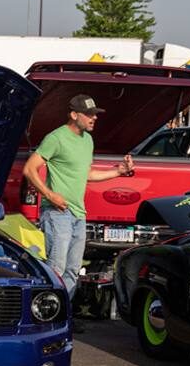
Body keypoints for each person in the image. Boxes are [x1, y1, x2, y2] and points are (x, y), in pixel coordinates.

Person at [22, 94, 135, 333]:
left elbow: (87, 175)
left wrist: (119, 171)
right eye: (90, 114)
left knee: (73, 270)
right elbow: (29, 168)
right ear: (74, 115)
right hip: (57, 213)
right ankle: (44, 318)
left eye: (95, 114)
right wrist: (50, 195)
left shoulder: (87, 141)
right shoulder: (56, 138)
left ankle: (62, 318)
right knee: (57, 267)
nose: (94, 118)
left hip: (78, 214)